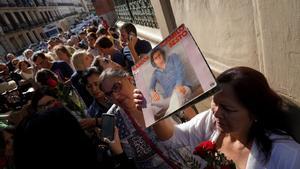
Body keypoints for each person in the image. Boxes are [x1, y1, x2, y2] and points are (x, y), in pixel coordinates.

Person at [134, 66, 300, 169]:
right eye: (215, 102)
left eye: (228, 108)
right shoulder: (210, 121)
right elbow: (174, 138)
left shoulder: (287, 154)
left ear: (254, 113)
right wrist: (151, 112)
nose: (216, 112)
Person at [99, 68, 195, 169]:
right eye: (109, 95)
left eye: (116, 87)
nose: (115, 96)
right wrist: (118, 153)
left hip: (191, 160)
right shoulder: (111, 120)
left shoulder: (155, 92)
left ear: (129, 79)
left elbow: (189, 114)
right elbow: (116, 161)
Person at [149, 47, 192, 118]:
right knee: (152, 106)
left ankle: (167, 117)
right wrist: (152, 92)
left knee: (177, 94)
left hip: (183, 88)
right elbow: (151, 87)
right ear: (154, 62)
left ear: (163, 54)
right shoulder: (155, 73)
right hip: (170, 97)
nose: (158, 58)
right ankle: (178, 109)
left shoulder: (173, 57)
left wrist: (179, 84)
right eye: (155, 58)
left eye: (159, 55)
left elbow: (180, 71)